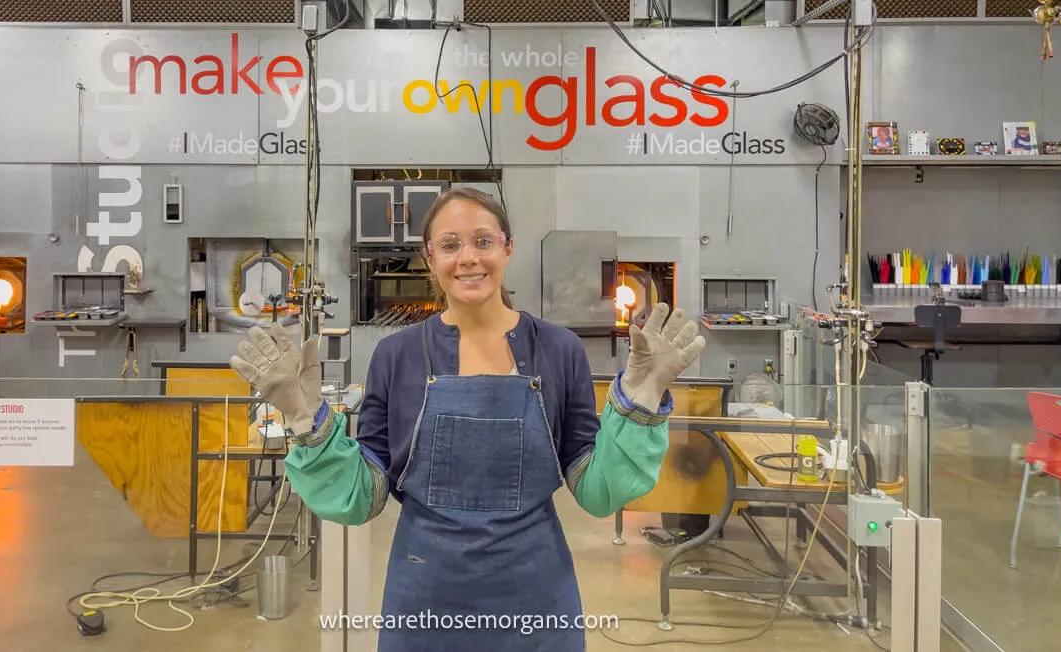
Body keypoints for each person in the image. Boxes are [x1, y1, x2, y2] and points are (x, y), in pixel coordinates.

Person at [230, 187, 706, 651]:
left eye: (483, 241)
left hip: (535, 596)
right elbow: (362, 496)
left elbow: (598, 490)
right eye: (451, 245)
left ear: (507, 247)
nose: (468, 258)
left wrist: (644, 395)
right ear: (430, 256)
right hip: (424, 597)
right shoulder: (396, 355)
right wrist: (298, 411)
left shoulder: (558, 349)